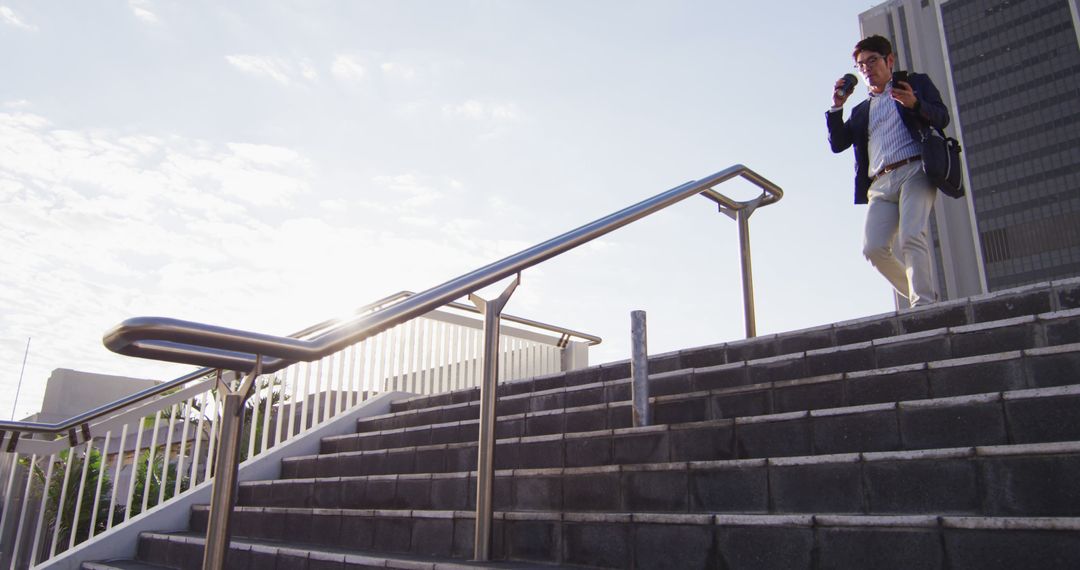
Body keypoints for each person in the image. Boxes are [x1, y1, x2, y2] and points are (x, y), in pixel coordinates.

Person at [827, 35, 950, 308]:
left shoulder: (914, 84)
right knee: (873, 249)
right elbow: (838, 144)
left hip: (915, 170)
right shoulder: (862, 110)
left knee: (911, 235)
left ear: (889, 60)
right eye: (861, 65)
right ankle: (919, 293)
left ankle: (925, 304)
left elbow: (942, 116)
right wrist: (837, 106)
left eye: (873, 60)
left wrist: (916, 105)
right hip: (880, 184)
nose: (867, 68)